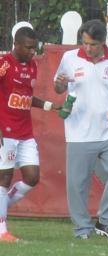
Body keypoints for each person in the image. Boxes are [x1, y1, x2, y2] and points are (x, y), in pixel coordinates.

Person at [54, 19, 108, 241]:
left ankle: (106, 221)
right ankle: (82, 229)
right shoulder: (69, 58)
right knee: (77, 184)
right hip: (78, 131)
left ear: (103, 42)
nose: (88, 48)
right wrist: (60, 83)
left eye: (93, 44)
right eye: (85, 43)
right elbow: (58, 87)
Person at [0, 27, 59, 242]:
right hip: (5, 129)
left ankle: (1, 208)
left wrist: (50, 105)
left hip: (25, 132)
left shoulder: (32, 66)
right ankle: (1, 231)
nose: (33, 52)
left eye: (35, 48)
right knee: (4, 177)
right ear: (16, 44)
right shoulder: (4, 64)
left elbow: (25, 97)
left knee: (32, 177)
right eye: (28, 48)